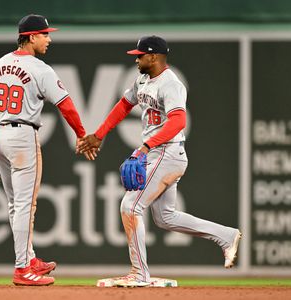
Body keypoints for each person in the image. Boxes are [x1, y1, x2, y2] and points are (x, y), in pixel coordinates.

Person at [76, 35, 242, 287]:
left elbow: (178, 122)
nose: (137, 59)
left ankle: (139, 273)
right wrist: (99, 135)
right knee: (165, 217)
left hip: (167, 151)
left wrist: (145, 146)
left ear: (153, 56)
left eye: (140, 56)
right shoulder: (142, 79)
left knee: (129, 206)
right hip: (158, 152)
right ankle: (226, 236)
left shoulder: (171, 84)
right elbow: (123, 105)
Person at [0, 14, 94, 286]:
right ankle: (22, 268)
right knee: (25, 205)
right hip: (22, 136)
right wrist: (82, 135)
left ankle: (29, 258)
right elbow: (65, 105)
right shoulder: (40, 68)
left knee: (14, 204)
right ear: (31, 37)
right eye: (45, 34)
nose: (49, 39)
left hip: (0, 135)